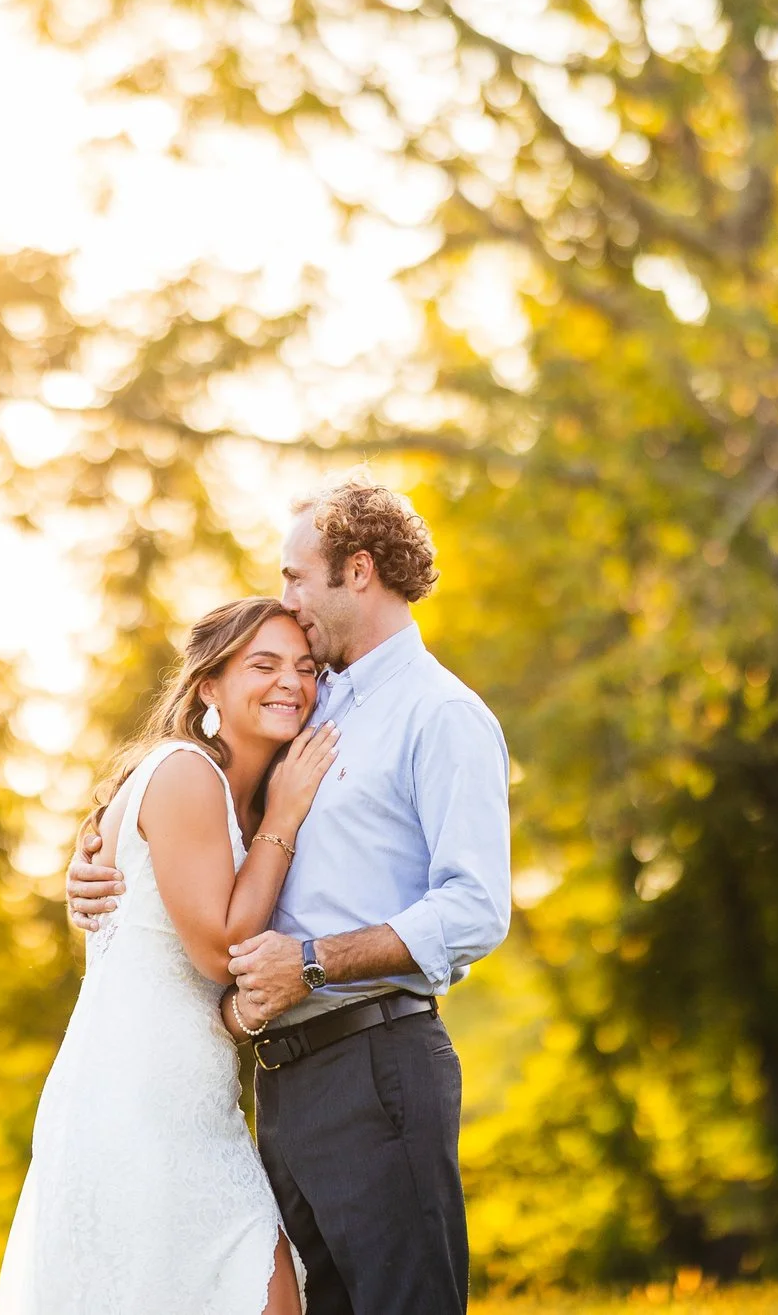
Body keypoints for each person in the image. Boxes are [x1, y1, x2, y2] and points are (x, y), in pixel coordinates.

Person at [66, 482, 511, 1315]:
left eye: (297, 577)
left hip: (377, 1062)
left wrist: (312, 962)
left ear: (360, 570)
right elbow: (198, 810)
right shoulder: (307, 701)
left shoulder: (440, 714)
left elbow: (476, 908)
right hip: (278, 1078)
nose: (287, 599)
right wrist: (96, 851)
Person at [0, 598, 339, 1315]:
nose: (291, 683)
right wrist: (284, 818)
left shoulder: (236, 797)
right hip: (133, 1102)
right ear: (208, 685)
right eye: (264, 664)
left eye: (306, 668)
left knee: (263, 1290)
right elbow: (221, 950)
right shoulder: (186, 773)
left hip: (197, 1102)